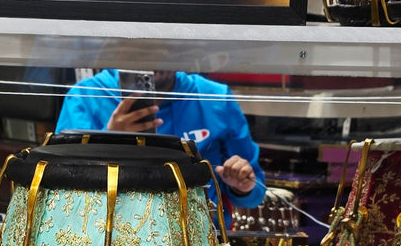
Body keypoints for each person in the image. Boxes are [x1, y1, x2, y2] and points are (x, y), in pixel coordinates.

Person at [56, 70, 266, 215]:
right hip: (108, 239)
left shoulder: (214, 97)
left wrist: (243, 187)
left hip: (198, 240)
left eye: (162, 49)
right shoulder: (85, 97)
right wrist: (108, 139)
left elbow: (255, 192)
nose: (151, 60)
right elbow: (61, 195)